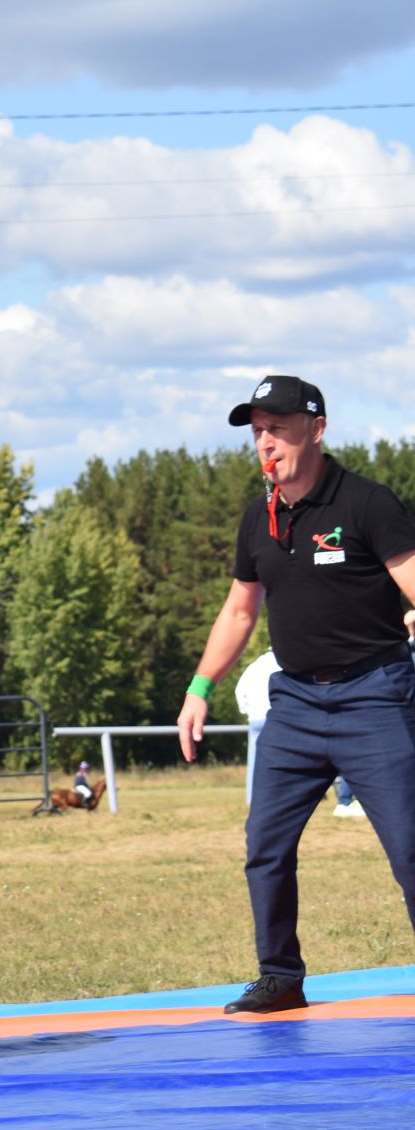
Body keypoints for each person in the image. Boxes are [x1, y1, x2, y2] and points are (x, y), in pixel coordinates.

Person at [178, 374, 415, 1014]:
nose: (265, 443)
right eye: (257, 431)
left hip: (376, 697)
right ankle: (280, 976)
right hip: (296, 706)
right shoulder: (259, 516)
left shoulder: (368, 503)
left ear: (316, 427)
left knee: (410, 846)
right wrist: (200, 688)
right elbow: (238, 610)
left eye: (277, 428)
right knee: (266, 845)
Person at [233, 648, 279, 806]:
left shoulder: (253, 666)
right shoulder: (284, 664)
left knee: (254, 760)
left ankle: (252, 799)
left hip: (255, 718)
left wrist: (247, 711)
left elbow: (240, 691)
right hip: (278, 717)